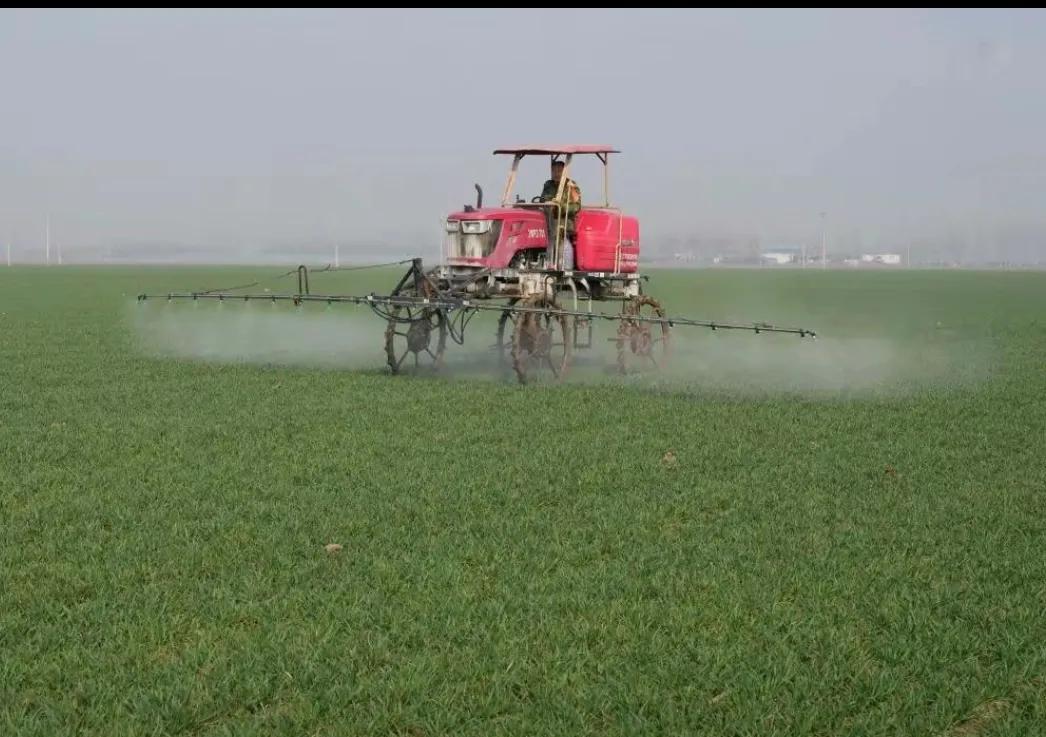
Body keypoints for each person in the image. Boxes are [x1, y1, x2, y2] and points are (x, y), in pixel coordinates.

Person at [538, 160, 582, 268]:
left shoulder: (571, 186)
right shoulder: (548, 185)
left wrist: (559, 208)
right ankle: (543, 262)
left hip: (564, 222)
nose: (556, 173)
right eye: (554, 171)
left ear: (564, 172)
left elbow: (576, 206)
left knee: (560, 236)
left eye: (559, 171)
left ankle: (564, 266)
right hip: (548, 221)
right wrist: (548, 204)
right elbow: (543, 199)